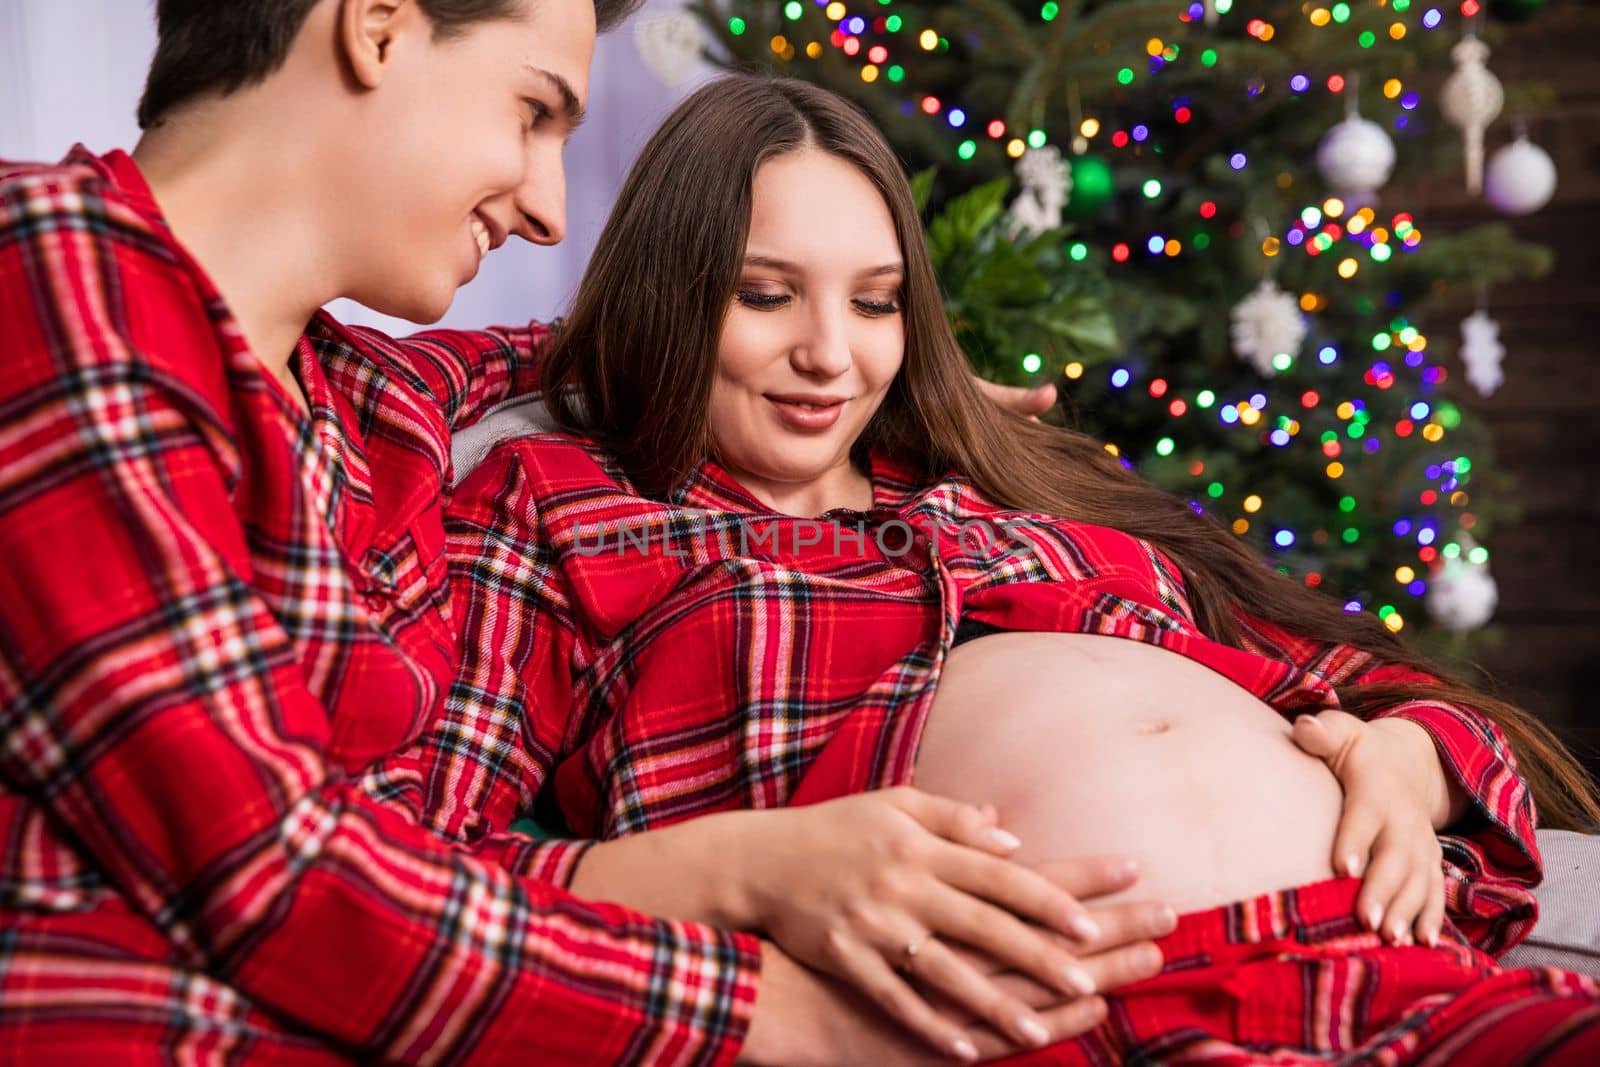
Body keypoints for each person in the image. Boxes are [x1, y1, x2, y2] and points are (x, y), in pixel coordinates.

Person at [0, 3, 1163, 1064]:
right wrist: (783, 998)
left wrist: (902, 385)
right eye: (534, 111)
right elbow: (275, 874)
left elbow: (603, 343)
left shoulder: (367, 398)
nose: (551, 203)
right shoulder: (51, 278)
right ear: (379, 27)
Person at [411, 73, 1600, 1064]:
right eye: (764, 295)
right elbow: (427, 876)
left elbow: (1376, 684)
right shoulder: (559, 508)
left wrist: (1411, 755)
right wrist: (738, 875)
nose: (831, 355)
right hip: (1053, 1013)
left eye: (877, 303)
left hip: (1376, 951)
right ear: (669, 295)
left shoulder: (1000, 485)